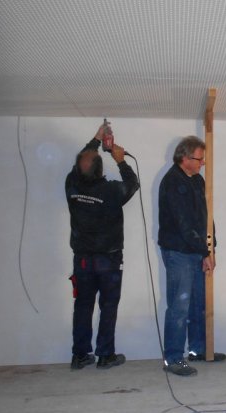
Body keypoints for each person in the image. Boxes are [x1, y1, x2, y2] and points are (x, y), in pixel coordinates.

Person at [66, 123, 139, 370]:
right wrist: (120, 160)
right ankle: (105, 355)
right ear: (100, 169)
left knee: (83, 306)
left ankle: (80, 356)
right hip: (108, 260)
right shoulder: (110, 191)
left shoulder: (72, 184)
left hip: (83, 259)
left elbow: (82, 163)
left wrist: (96, 139)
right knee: (108, 306)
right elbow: (132, 184)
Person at [158, 136, 226, 376]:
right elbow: (184, 224)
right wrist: (205, 251)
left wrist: (211, 248)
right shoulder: (172, 182)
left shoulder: (197, 180)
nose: (203, 163)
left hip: (196, 250)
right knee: (179, 306)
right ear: (184, 158)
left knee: (198, 303)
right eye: (199, 159)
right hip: (179, 252)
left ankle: (199, 350)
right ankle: (173, 359)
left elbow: (206, 216)